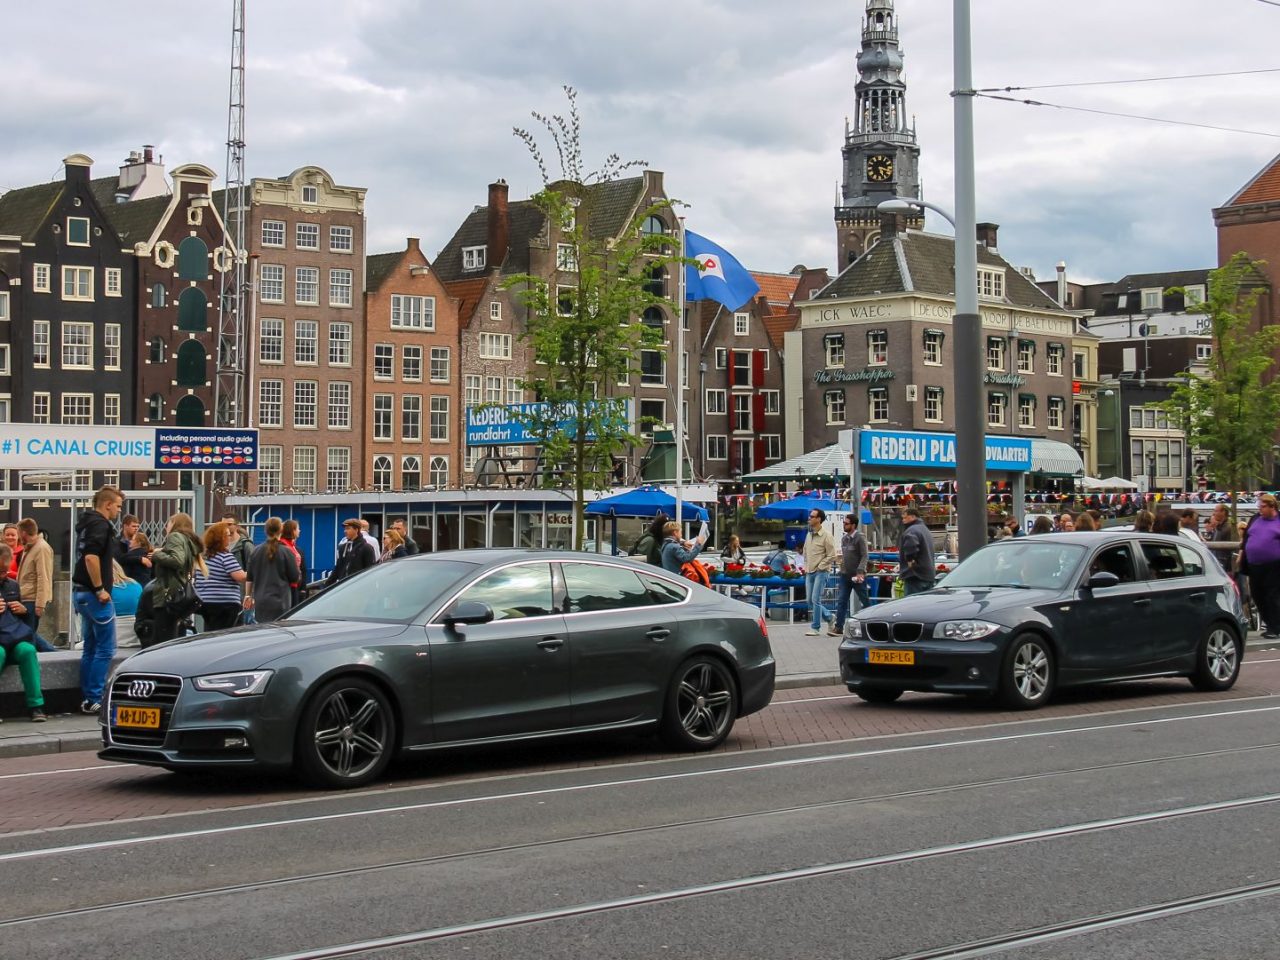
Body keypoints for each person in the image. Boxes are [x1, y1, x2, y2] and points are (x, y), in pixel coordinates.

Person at [72, 485, 124, 715]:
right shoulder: (100, 525)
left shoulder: (86, 523)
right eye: (118, 506)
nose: (119, 511)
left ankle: (87, 697)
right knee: (106, 648)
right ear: (107, 504)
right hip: (95, 596)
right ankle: (95, 697)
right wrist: (100, 588)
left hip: (80, 592)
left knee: (90, 648)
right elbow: (91, 557)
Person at [0, 543, 45, 722]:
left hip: (15, 638)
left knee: (28, 650)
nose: (3, 575)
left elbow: (26, 623)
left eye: (5, 571)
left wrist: (23, 610)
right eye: (0, 571)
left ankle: (36, 706)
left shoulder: (13, 586)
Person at [149, 512, 206, 646]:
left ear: (175, 524)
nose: (166, 527)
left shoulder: (175, 537)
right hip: (178, 596)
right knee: (172, 638)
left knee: (161, 642)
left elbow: (177, 560)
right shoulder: (188, 541)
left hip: (167, 595)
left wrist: (157, 555)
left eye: (168, 523)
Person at [247, 517, 302, 623]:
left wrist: (248, 595)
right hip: (280, 601)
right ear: (281, 530)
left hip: (260, 601)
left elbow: (250, 576)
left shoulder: (255, 551)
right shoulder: (286, 551)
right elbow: (294, 578)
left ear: (265, 530)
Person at [195, 522, 248, 632]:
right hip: (225, 604)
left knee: (210, 632)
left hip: (205, 602)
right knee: (223, 634)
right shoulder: (225, 556)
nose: (230, 538)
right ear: (221, 538)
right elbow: (241, 577)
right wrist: (253, 572)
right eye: (227, 535)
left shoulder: (203, 557)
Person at [1241, 494, 1280, 639]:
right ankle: (1270, 623)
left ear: (1272, 507)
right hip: (1254, 565)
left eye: (1263, 507)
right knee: (1257, 595)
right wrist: (1241, 553)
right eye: (1259, 507)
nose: (1260, 510)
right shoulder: (1255, 519)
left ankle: (1274, 628)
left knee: (1272, 595)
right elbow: (1246, 538)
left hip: (1274, 566)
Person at [16, 518, 55, 652]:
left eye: (18, 532)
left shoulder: (41, 548)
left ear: (24, 532)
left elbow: (43, 576)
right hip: (27, 598)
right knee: (28, 633)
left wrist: (40, 604)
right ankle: (54, 655)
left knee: (28, 635)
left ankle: (52, 656)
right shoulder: (31, 547)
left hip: (31, 600)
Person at [803, 508, 838, 635]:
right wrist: (806, 566)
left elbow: (832, 555)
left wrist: (821, 566)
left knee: (815, 599)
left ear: (819, 519)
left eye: (812, 516)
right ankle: (829, 617)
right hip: (809, 571)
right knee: (809, 600)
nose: (809, 518)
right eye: (810, 516)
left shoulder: (827, 535)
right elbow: (805, 551)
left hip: (821, 571)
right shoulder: (808, 534)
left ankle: (815, 627)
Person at [833, 513, 869, 636]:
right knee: (842, 600)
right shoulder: (844, 539)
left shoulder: (860, 537)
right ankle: (838, 626)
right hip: (845, 575)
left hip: (857, 575)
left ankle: (873, 622)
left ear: (853, 525)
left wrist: (860, 571)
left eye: (846, 523)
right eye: (843, 523)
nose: (844, 525)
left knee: (865, 599)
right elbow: (844, 556)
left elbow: (864, 555)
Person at [897, 506, 936, 596]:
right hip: (928, 574)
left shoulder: (912, 530)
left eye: (905, 517)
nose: (903, 520)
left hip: (915, 575)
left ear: (913, 517)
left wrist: (910, 560)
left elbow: (911, 545)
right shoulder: (925, 529)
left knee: (912, 605)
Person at [328, 518, 375, 586]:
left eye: (348, 528)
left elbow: (369, 570)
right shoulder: (342, 547)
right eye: (345, 529)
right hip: (343, 586)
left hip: (358, 586)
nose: (345, 531)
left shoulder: (366, 548)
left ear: (356, 530)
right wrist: (327, 585)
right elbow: (338, 568)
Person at [280, 519, 307, 606]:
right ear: (292, 530)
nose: (299, 531)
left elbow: (303, 568)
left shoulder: (294, 547)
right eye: (298, 528)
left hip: (295, 585)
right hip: (287, 586)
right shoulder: (283, 546)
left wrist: (303, 587)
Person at [1204, 503, 1236, 571]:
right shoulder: (1219, 527)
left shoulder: (1228, 527)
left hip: (1224, 564)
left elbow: (1231, 549)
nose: (1214, 513)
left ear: (1223, 512)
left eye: (1215, 511)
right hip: (1219, 561)